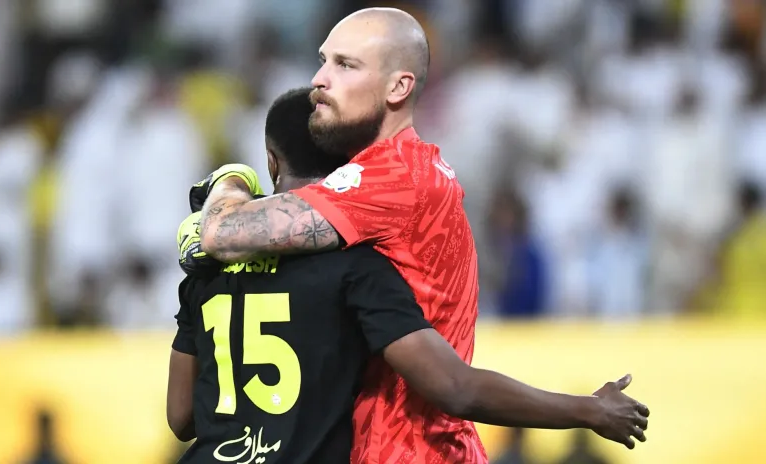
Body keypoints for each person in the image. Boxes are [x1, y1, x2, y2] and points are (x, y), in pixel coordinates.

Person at [184, 8, 649, 464]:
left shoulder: (390, 179)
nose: (320, 79)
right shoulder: (406, 172)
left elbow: (221, 233)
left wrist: (230, 180)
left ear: (398, 87)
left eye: (345, 65)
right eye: (324, 60)